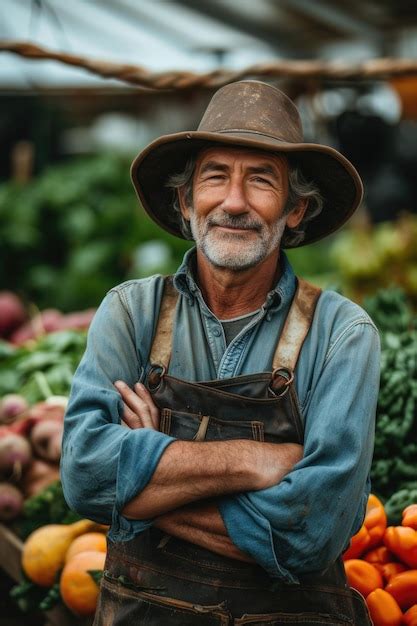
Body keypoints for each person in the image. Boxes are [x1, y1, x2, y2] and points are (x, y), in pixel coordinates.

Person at [61, 80, 380, 625]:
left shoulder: (343, 334)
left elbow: (311, 533)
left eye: (260, 180)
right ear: (186, 201)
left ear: (296, 208)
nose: (234, 202)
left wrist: (141, 492)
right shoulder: (130, 312)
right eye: (215, 176)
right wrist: (254, 461)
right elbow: (85, 474)